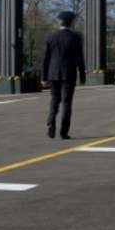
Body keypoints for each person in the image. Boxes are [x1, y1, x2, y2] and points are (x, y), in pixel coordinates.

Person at [42, 10, 86, 140]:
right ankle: (64, 132)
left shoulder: (51, 37)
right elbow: (79, 58)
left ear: (60, 22)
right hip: (68, 73)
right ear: (71, 23)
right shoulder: (75, 37)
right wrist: (82, 75)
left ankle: (51, 120)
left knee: (54, 99)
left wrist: (44, 77)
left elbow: (46, 59)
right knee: (66, 102)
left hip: (53, 73)